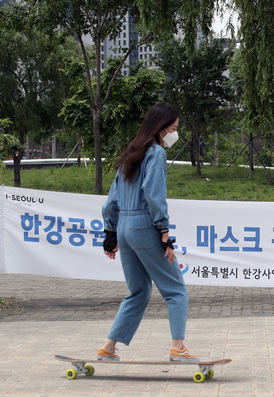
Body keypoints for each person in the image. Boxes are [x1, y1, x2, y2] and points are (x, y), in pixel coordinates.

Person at [97, 102, 198, 363]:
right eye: (173, 128)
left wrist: (110, 233)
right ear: (161, 128)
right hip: (144, 226)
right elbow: (154, 195)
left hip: (125, 231)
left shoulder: (131, 153)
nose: (175, 134)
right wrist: (164, 231)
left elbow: (111, 201)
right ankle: (178, 347)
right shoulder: (156, 154)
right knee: (176, 289)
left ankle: (108, 347)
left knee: (139, 291)